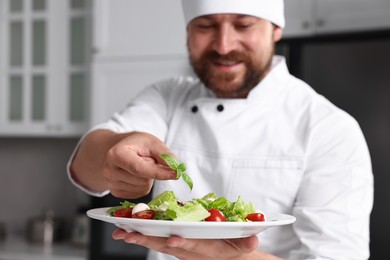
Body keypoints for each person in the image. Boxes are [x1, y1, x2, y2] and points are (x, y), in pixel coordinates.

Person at [68, 0, 374, 259]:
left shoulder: (329, 128)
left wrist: (234, 256)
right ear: (187, 31)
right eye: (205, 26)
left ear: (276, 30)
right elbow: (85, 164)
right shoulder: (166, 97)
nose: (224, 45)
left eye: (243, 25)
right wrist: (117, 150)